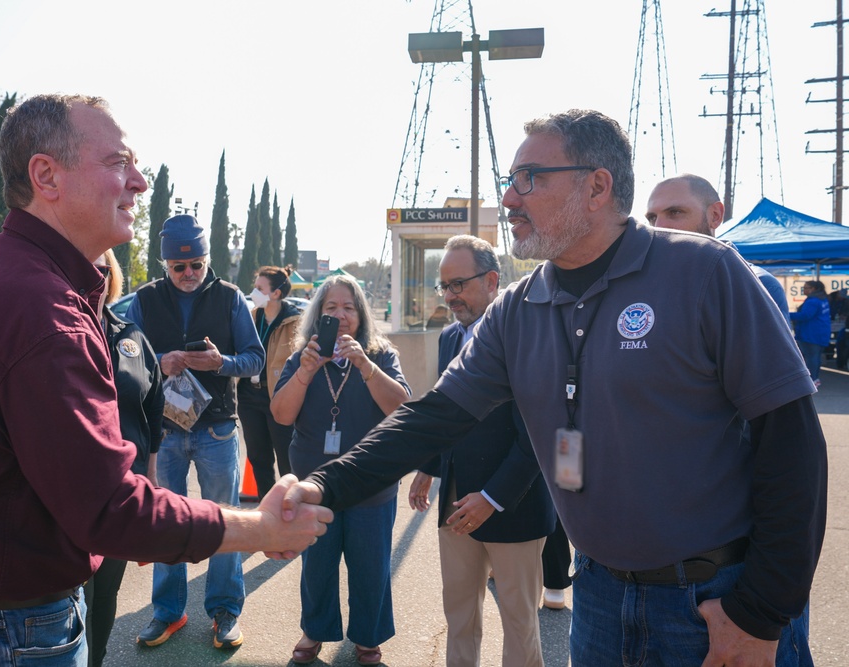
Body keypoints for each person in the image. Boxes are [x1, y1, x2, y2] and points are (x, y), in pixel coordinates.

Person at [280, 109, 827, 666]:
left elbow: (792, 442)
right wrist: (320, 488)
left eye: (529, 178)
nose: (511, 199)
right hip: (599, 597)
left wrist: (760, 614)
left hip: (714, 602)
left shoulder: (705, 271)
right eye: (510, 182)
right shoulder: (517, 310)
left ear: (596, 186)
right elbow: (433, 418)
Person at [0, 94, 331, 666]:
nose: (139, 182)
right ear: (47, 176)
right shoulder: (39, 309)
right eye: (118, 163)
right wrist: (261, 528)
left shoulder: (7, 277)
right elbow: (108, 509)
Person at [407, 235, 554, 667]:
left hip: (516, 507)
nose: (450, 296)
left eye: (459, 285)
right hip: (455, 504)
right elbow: (448, 411)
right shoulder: (449, 339)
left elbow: (537, 434)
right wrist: (430, 466)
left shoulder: (530, 335)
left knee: (520, 624)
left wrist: (492, 498)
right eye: (444, 287)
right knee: (459, 617)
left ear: (492, 280)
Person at [125, 214, 265, 650]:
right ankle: (168, 611)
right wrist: (160, 359)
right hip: (164, 431)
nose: (188, 274)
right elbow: (124, 357)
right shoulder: (145, 299)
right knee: (165, 520)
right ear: (164, 265)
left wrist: (221, 363)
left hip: (218, 429)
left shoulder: (229, 298)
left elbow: (255, 361)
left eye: (196, 265)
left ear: (207, 260)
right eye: (178, 267)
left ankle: (225, 611)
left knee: (223, 517)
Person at [270, 275, 410, 666]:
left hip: (371, 482)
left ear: (361, 314)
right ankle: (315, 630)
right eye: (331, 308)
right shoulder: (302, 357)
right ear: (318, 315)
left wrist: (364, 364)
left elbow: (402, 407)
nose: (341, 315)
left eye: (349, 307)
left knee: (371, 565)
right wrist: (305, 372)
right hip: (315, 485)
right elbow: (281, 414)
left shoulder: (380, 354)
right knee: (317, 564)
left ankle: (368, 638)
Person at [83, 249, 164, 667]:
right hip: (72, 494)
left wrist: (149, 475)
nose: (93, 276)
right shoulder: (57, 330)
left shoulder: (129, 334)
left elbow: (152, 403)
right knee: (78, 598)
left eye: (101, 268)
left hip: (123, 489)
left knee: (106, 595)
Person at [645, 173, 790, 322]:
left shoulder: (755, 285)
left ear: (715, 215)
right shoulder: (645, 285)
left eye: (675, 212)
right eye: (652, 218)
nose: (658, 227)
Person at [237, 265, 300, 498]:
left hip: (279, 397)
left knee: (287, 458)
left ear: (276, 293)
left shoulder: (294, 322)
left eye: (259, 288)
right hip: (249, 396)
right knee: (258, 456)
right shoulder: (252, 317)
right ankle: (267, 509)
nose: (254, 293)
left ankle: (291, 507)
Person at [790, 280, 832, 388]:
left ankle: (811, 381)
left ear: (813, 289)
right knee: (815, 358)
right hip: (820, 333)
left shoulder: (813, 301)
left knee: (811, 358)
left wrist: (786, 314)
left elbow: (805, 315)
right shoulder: (822, 299)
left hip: (811, 334)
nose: (804, 289)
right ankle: (815, 379)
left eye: (806, 287)